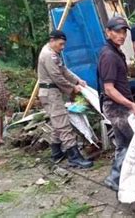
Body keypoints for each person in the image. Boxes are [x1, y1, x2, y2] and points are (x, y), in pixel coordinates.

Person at [37, 30, 93, 168]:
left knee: (58, 122)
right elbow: (57, 76)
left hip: (52, 92)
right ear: (52, 40)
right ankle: (74, 157)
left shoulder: (53, 54)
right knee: (63, 124)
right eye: (60, 44)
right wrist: (73, 88)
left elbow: (64, 71)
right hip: (50, 93)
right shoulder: (48, 55)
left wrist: (78, 81)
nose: (62, 47)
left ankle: (56, 152)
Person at [99, 16, 135, 191]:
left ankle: (119, 178)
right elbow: (109, 88)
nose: (122, 35)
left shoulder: (115, 51)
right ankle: (117, 178)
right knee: (134, 141)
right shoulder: (109, 55)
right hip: (115, 107)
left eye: (124, 31)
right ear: (108, 32)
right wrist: (131, 105)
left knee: (123, 143)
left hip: (119, 105)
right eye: (117, 31)